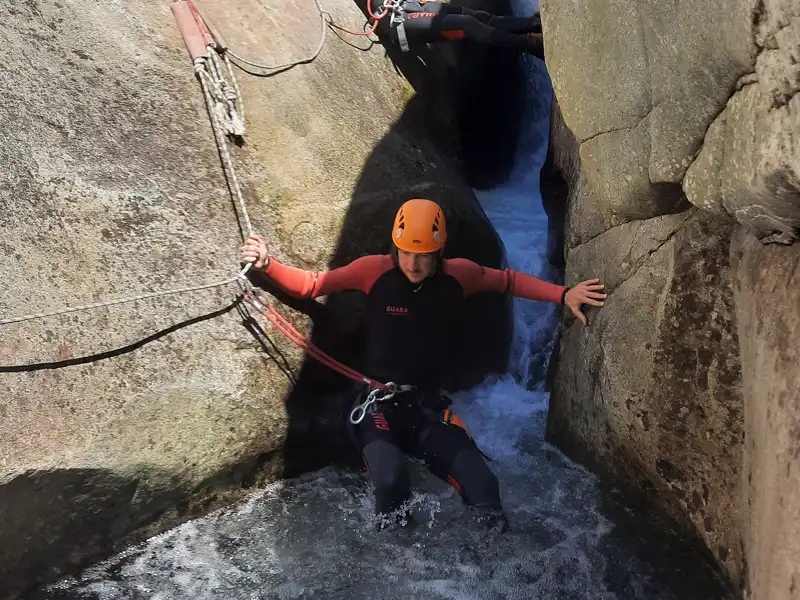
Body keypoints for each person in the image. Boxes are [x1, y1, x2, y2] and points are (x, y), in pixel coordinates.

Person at [240, 199, 605, 531]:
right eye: (406, 253)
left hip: (427, 410)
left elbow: (507, 281)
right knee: (390, 482)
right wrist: (267, 264)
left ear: (439, 252)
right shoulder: (373, 271)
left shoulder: (459, 276)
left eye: (424, 255)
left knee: (484, 487)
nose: (413, 263)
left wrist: (563, 294)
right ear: (394, 247)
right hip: (377, 407)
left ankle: (489, 573)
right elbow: (312, 284)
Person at [370, 0, 545, 58]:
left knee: (480, 17)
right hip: (398, 21)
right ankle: (534, 47)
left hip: (408, 5)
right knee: (467, 23)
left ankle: (532, 24)